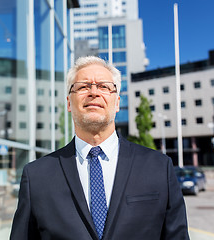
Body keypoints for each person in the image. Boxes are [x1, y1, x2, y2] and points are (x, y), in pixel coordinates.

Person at [10, 56, 189, 240]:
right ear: (69, 103)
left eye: (104, 86)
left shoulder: (159, 167)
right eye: (83, 86)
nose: (93, 92)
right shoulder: (36, 176)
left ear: (117, 102)